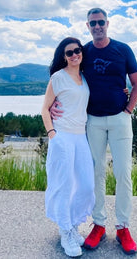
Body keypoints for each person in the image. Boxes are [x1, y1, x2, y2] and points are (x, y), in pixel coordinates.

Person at [50, 8, 137, 255]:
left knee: (123, 174)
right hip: (93, 121)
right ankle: (99, 224)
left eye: (101, 22)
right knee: (95, 174)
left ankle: (123, 227)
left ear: (107, 23)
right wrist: (54, 102)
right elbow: (65, 75)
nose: (97, 26)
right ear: (88, 26)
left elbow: (136, 83)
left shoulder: (123, 49)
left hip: (120, 120)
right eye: (93, 23)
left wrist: (128, 110)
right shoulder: (84, 51)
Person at [41, 37, 95, 258]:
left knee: (86, 185)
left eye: (77, 50)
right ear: (63, 56)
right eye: (69, 52)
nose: (74, 55)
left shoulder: (84, 77)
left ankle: (73, 224)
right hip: (62, 136)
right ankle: (65, 231)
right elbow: (45, 109)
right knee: (64, 185)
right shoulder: (58, 77)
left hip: (81, 137)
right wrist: (52, 134)